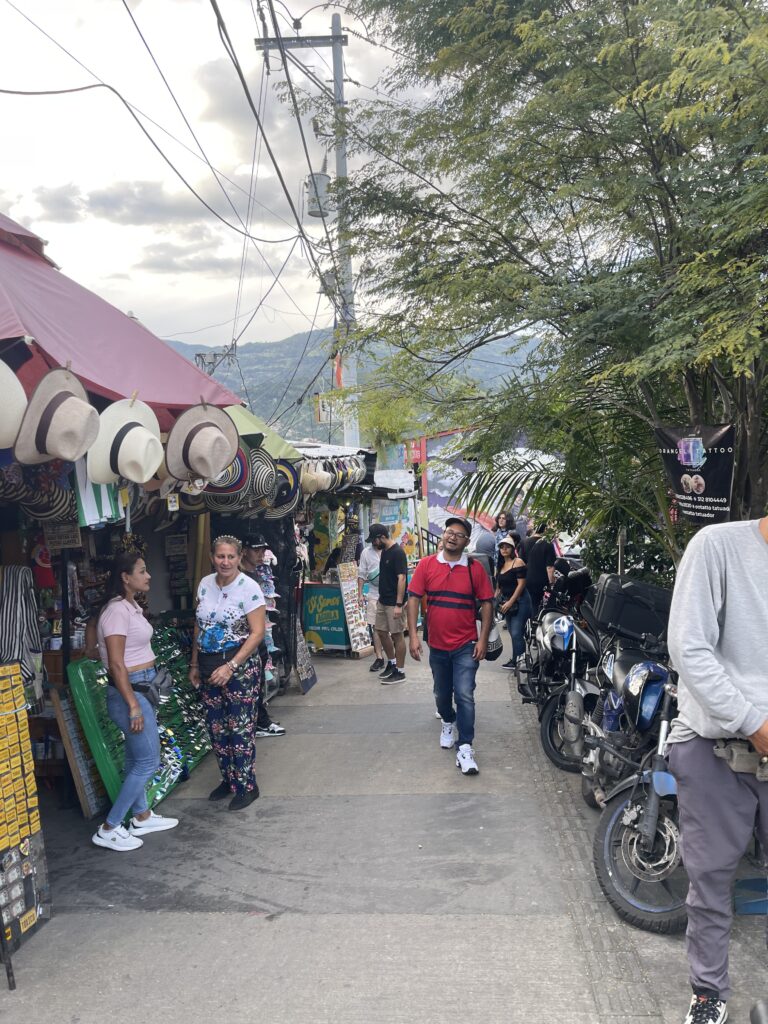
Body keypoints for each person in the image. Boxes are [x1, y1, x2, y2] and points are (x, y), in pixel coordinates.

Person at [667, 519, 768, 1024]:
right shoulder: (718, 547)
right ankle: (708, 993)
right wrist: (755, 723)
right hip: (716, 748)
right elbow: (688, 647)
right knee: (710, 882)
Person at [92, 552, 178, 852]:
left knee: (134, 758)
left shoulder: (131, 607)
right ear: (125, 577)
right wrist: (131, 704)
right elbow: (116, 664)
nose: (148, 576)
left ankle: (141, 816)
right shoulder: (116, 611)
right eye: (142, 571)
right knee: (147, 761)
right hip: (131, 692)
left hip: (143, 687)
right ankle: (109, 827)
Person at [406, 516, 493, 775]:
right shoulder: (426, 565)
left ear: (466, 541)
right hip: (438, 644)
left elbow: (487, 603)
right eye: (448, 532)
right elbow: (413, 598)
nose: (452, 536)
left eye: (459, 534)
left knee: (465, 694)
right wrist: (412, 635)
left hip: (466, 645)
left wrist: (483, 638)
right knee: (441, 694)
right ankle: (447, 719)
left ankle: (465, 746)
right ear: (443, 536)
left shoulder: (474, 568)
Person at [188, 535, 266, 811]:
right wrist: (194, 664)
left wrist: (231, 666)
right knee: (217, 727)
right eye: (220, 556)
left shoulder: (249, 588)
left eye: (230, 557)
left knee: (239, 727)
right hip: (209, 665)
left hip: (239, 667)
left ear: (239, 557)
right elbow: (200, 625)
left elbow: (258, 632)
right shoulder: (205, 584)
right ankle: (229, 779)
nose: (225, 562)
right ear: (212, 557)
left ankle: (247, 785)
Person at [240, 537, 286, 737]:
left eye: (262, 550)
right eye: (256, 550)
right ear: (244, 551)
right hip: (246, 636)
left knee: (257, 681)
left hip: (259, 633)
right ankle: (259, 722)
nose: (260, 555)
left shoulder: (255, 573)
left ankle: (260, 720)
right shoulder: (240, 577)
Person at [370, 523, 408, 684]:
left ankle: (400, 671)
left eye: (374, 540)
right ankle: (391, 663)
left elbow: (402, 578)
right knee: (380, 631)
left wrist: (399, 604)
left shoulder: (397, 553)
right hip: (383, 600)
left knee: (397, 635)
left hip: (394, 602)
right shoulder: (384, 551)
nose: (373, 543)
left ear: (382, 537)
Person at [496, 537, 532, 669]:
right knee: (512, 632)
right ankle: (516, 659)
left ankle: (520, 662)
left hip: (520, 601)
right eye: (501, 547)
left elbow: (521, 585)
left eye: (507, 546)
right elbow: (498, 586)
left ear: (512, 549)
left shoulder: (518, 562)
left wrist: (511, 602)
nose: (504, 549)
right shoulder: (500, 565)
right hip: (506, 601)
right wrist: (495, 600)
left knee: (517, 632)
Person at [357, 537, 385, 673]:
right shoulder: (366, 553)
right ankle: (379, 657)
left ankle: (393, 659)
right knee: (376, 627)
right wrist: (360, 594)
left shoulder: (391, 550)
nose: (374, 543)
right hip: (374, 594)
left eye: (375, 539)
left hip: (389, 595)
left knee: (392, 629)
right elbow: (361, 574)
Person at [521, 522, 556, 612]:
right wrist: (552, 582)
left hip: (526, 578)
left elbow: (521, 562)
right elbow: (549, 568)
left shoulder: (525, 542)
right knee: (536, 604)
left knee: (527, 602)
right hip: (540, 580)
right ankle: (533, 622)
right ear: (545, 530)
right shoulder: (548, 544)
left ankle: (526, 622)